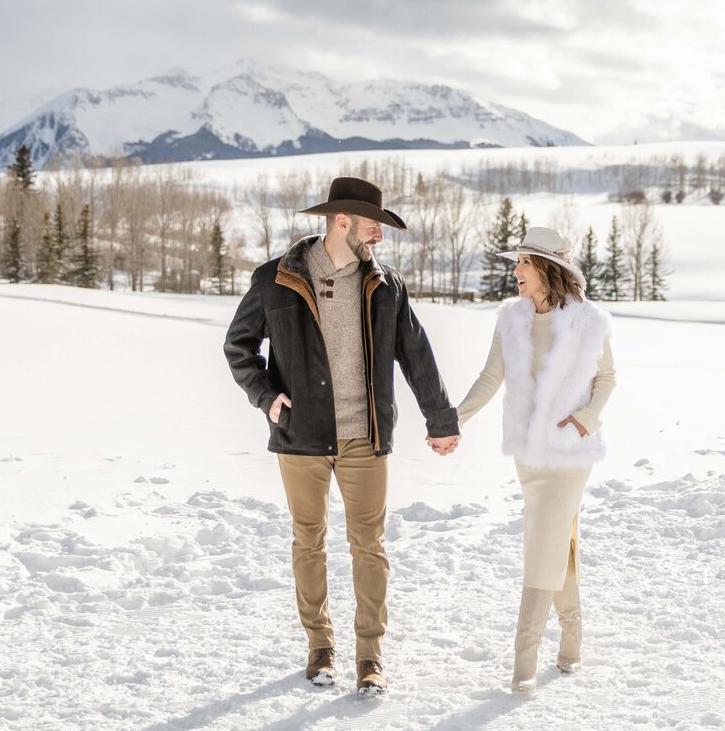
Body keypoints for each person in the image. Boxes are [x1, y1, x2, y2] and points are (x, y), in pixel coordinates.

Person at [224, 176, 460, 696]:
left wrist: (440, 421)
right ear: (342, 221)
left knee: (369, 547)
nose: (379, 234)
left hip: (365, 437)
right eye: (373, 223)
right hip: (301, 437)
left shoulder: (386, 287)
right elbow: (239, 347)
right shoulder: (275, 279)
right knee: (308, 542)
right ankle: (320, 646)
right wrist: (267, 397)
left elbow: (417, 355)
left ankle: (370, 656)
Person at [455, 226, 615, 693]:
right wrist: (453, 420)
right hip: (529, 457)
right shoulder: (511, 320)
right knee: (555, 543)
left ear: (549, 269)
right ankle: (572, 641)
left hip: (569, 455)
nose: (516, 270)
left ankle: (523, 664)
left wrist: (586, 418)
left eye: (524, 262)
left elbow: (607, 378)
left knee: (540, 547)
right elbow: (490, 378)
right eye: (516, 261)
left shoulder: (589, 321)